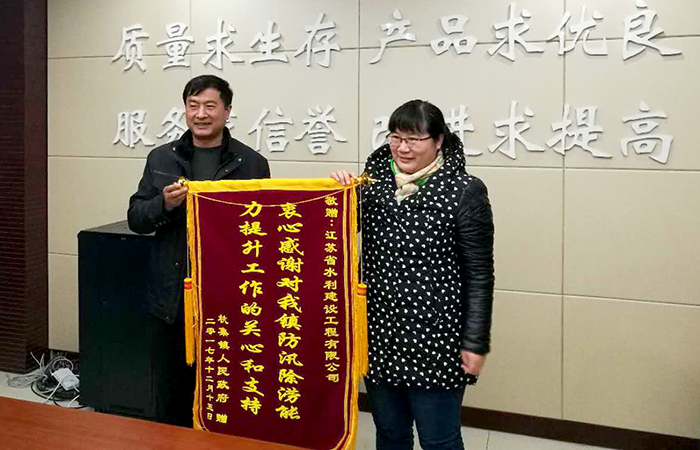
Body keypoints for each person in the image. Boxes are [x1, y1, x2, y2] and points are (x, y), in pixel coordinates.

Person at [332, 100, 494, 450]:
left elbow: (479, 275)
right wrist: (337, 195)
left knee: (439, 440)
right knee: (390, 434)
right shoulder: (371, 186)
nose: (403, 148)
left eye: (414, 139)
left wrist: (475, 341)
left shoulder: (464, 190)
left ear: (438, 141)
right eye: (396, 137)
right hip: (379, 334)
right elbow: (332, 233)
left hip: (437, 340)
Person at [127, 75, 270, 426]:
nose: (201, 114)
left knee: (227, 396)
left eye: (209, 106)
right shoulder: (162, 158)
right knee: (171, 398)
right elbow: (136, 218)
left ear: (227, 111)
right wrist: (164, 204)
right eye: (193, 106)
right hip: (171, 301)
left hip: (229, 301)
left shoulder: (252, 163)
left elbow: (264, 229)